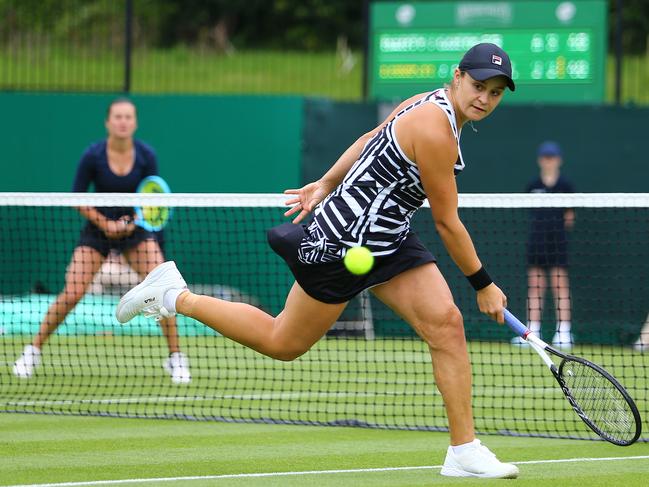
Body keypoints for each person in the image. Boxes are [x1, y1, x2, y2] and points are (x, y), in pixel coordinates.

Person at [116, 43, 519, 478]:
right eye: (479, 86)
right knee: (282, 341)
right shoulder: (435, 128)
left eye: (495, 93)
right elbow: (446, 223)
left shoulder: (430, 103)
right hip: (343, 242)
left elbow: (370, 140)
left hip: (388, 238)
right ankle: (175, 295)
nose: (484, 98)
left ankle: (463, 450)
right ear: (458, 76)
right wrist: (483, 284)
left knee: (446, 324)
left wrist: (326, 181)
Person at [13, 98, 191, 384]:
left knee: (164, 288)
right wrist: (105, 224)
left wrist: (131, 220)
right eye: (117, 117)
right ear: (108, 122)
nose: (122, 121)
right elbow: (77, 197)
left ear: (134, 122)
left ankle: (176, 358)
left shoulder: (146, 155)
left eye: (128, 117)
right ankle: (32, 352)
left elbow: (152, 195)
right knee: (71, 294)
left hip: (135, 230)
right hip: (97, 230)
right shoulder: (93, 155)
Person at [512, 141, 575, 350]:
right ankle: (532, 331)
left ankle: (563, 332)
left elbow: (569, 217)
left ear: (559, 160)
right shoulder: (533, 185)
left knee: (560, 287)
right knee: (536, 287)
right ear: (541, 160)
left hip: (558, 244)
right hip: (536, 243)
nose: (549, 161)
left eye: (552, 157)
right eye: (546, 157)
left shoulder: (565, 186)